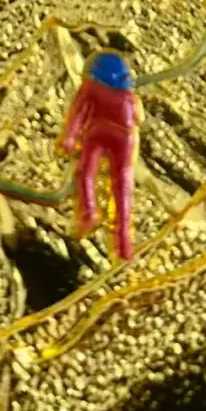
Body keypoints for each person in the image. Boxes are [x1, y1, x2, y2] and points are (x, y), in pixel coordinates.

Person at [60, 51, 142, 261]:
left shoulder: (90, 87)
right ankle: (124, 243)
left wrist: (69, 138)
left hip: (98, 131)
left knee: (87, 173)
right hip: (125, 137)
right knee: (122, 187)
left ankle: (89, 211)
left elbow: (78, 113)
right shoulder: (128, 95)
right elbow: (138, 118)